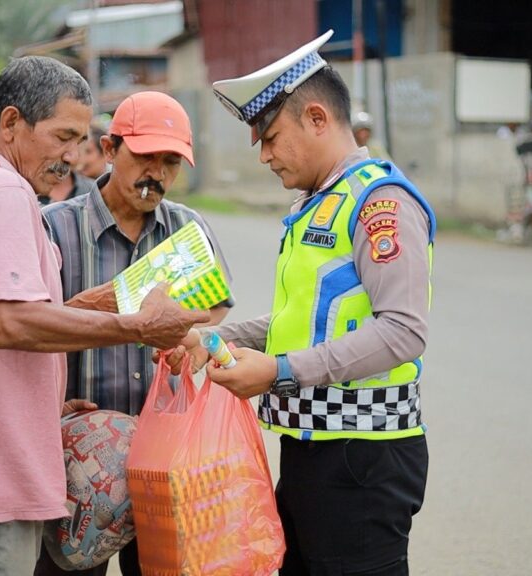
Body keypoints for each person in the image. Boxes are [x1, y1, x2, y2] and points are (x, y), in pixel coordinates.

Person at [0, 56, 209, 576]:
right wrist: (136, 327)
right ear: (11, 123)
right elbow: (9, 323)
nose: (72, 156)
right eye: (63, 136)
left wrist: (47, 395)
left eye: (79, 140)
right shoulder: (7, 193)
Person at [168, 30, 435, 575]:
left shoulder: (377, 202)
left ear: (317, 118)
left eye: (270, 138)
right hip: (313, 448)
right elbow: (305, 320)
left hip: (363, 456)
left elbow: (404, 331)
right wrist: (213, 340)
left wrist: (278, 372)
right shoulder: (317, 202)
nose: (265, 156)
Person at [35, 91, 234, 576]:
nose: (157, 174)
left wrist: (191, 343)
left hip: (164, 464)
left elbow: (213, 311)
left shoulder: (187, 229)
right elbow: (28, 328)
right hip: (76, 466)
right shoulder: (53, 228)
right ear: (109, 149)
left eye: (170, 162)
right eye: (145, 157)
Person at [41, 125, 107, 205]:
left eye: (80, 143)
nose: (73, 155)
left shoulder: (95, 192)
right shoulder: (31, 186)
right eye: (62, 139)